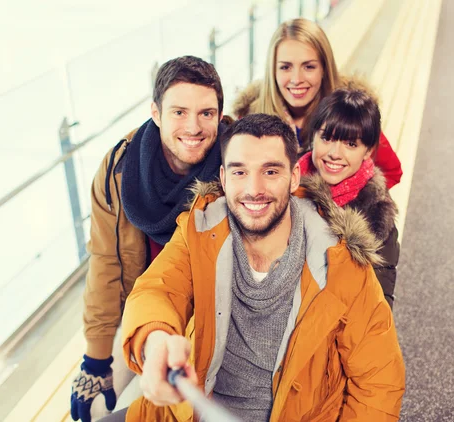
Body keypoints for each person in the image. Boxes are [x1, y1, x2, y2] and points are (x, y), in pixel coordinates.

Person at [117, 114, 405, 421]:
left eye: (270, 171)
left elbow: (378, 382)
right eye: (240, 172)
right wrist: (154, 338)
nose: (254, 189)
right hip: (191, 412)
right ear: (224, 179)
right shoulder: (198, 231)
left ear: (294, 177)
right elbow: (157, 289)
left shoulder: (342, 262)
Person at [70, 55, 228, 422]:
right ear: (155, 113)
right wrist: (95, 358)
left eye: (206, 113)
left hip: (201, 318)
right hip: (142, 310)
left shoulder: (232, 168)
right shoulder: (118, 172)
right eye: (179, 112)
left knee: (155, 403)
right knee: (91, 407)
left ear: (220, 116)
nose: (193, 126)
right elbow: (105, 263)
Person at [232, 17, 403, 189]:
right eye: (285, 67)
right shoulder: (249, 119)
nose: (296, 79)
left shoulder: (349, 113)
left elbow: (391, 171)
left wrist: (340, 201)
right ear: (273, 71)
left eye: (309, 67)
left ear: (324, 68)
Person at [298, 87, 400, 309]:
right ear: (313, 137)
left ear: (367, 151)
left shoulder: (377, 215)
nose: (335, 153)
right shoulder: (284, 180)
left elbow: (378, 305)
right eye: (326, 138)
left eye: (351, 144)